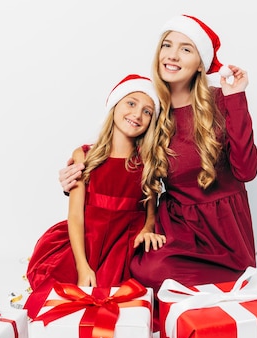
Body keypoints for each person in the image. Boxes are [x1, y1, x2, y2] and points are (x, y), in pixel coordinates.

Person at [58, 15, 257, 308]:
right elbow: (123, 159)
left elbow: (246, 169)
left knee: (156, 274)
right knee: (141, 269)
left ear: (200, 63)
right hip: (176, 223)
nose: (173, 55)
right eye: (167, 45)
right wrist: (76, 177)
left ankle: (230, 279)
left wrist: (237, 98)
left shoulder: (221, 99)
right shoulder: (151, 108)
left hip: (223, 225)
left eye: (186, 49)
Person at [24, 74, 167, 318]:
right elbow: (76, 216)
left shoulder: (147, 160)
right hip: (88, 240)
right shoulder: (84, 156)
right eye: (131, 103)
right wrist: (82, 265)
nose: (137, 115)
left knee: (119, 298)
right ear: (114, 106)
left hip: (124, 242)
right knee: (68, 292)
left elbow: (149, 212)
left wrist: (148, 229)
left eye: (147, 111)